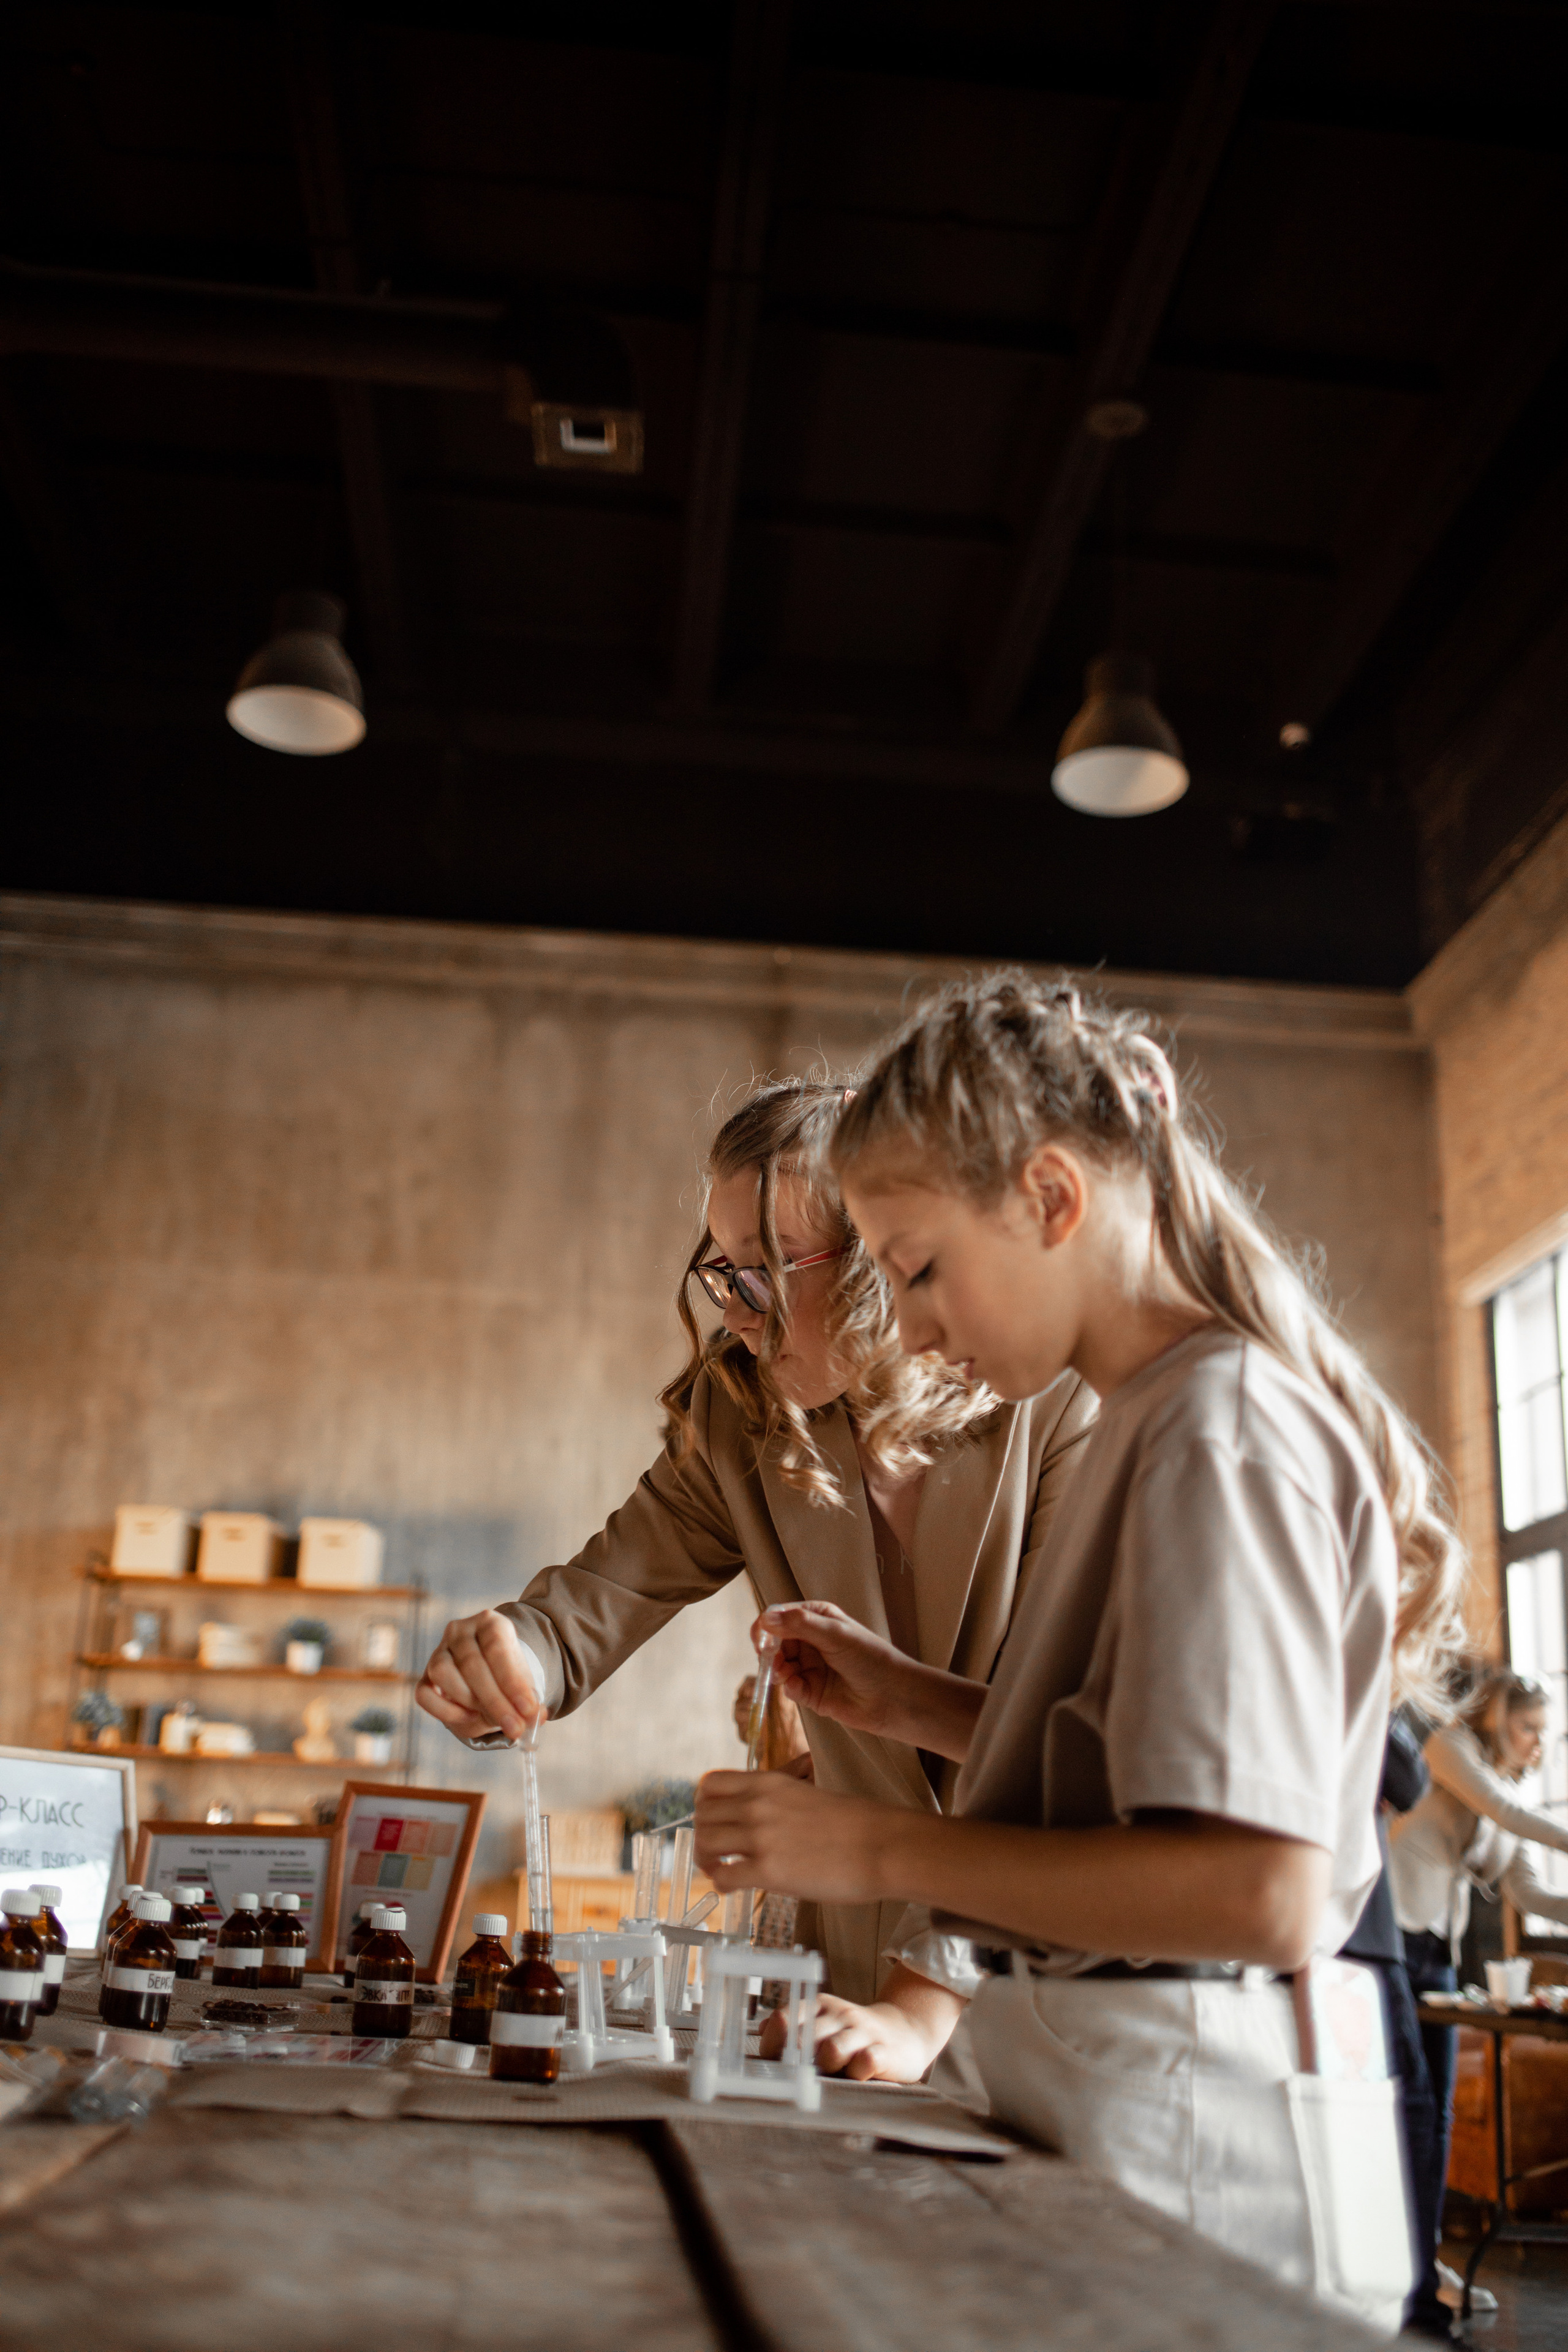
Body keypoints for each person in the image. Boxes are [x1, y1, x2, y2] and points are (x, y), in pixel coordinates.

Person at [694, 972, 1466, 2334]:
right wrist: (919, 1702)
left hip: (1192, 2133)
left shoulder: (1216, 1431)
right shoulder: (1153, 1415)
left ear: (1051, 1198)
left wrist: (866, 1852)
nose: (914, 1329)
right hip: (1121, 2100)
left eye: (920, 1270)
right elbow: (1146, 1758)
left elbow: (1262, 1890)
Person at [416, 1076, 1096, 2058]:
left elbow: (1062, 1750)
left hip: (1036, 1987)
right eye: (721, 1269)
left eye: (764, 1270)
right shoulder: (742, 1413)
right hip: (845, 1991)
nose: (732, 1309)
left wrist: (923, 2006)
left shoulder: (1056, 1404)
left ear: (877, 1264)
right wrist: (516, 1653)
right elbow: (609, 1587)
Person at [1390, 1664, 1568, 2319]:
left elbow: (1532, 1894)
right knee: (1407, 2103)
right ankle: (1402, 2266)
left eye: (1544, 1733)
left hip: (1437, 1950)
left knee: (1433, 2110)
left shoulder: (1503, 1789)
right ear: (1495, 1715)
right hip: (1391, 1936)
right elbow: (1507, 1812)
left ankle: (1423, 2255)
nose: (1536, 1743)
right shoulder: (1450, 1747)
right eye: (1527, 1726)